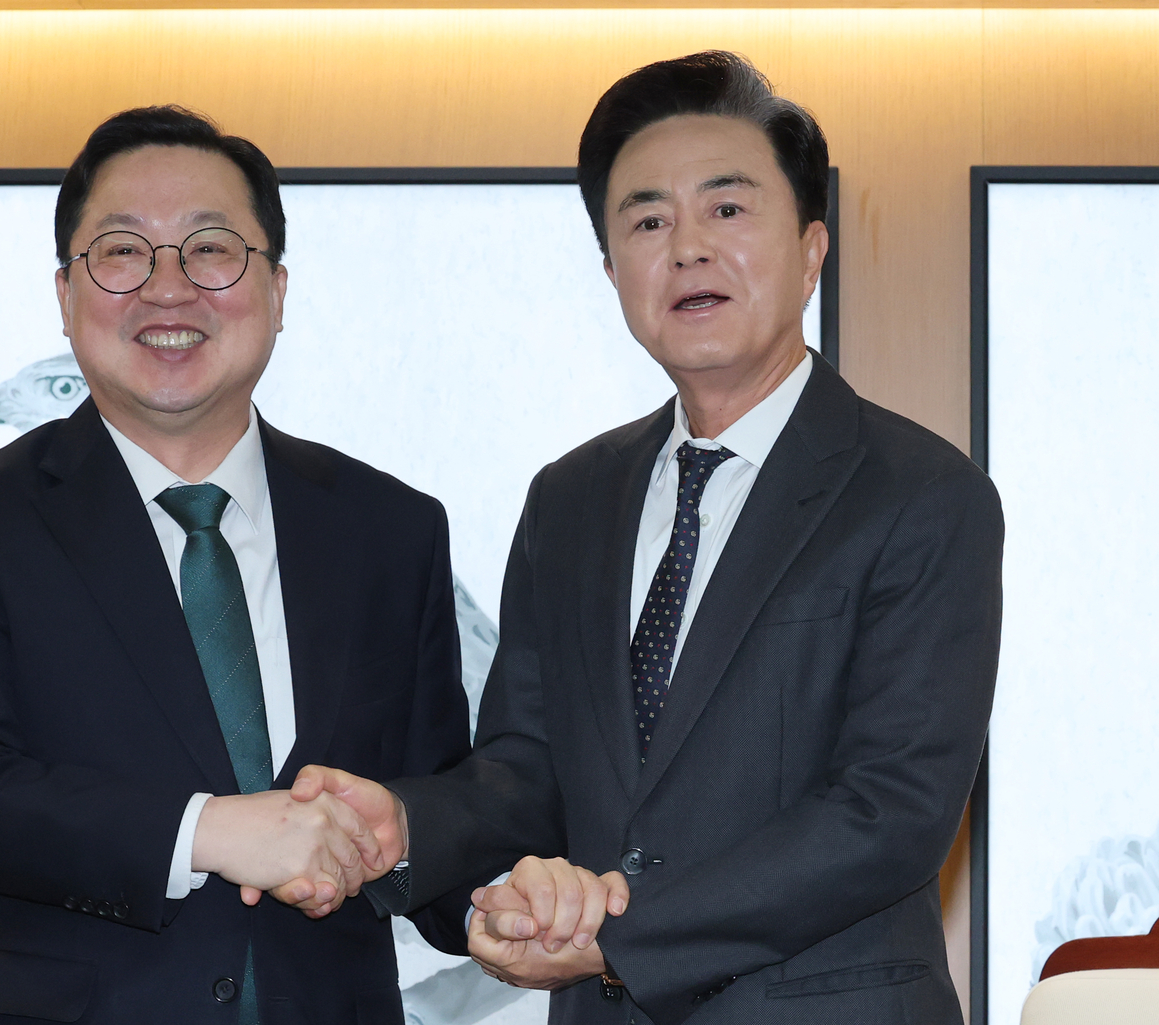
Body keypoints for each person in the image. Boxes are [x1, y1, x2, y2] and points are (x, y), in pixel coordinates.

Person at [290, 51, 1003, 1024]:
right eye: (646, 220)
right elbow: (528, 771)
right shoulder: (569, 500)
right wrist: (406, 824)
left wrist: (620, 934)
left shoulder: (921, 494)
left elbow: (888, 812)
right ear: (612, 269)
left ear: (809, 247)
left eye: (726, 208)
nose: (686, 247)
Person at [0, 105, 471, 1024]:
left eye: (210, 249)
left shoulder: (391, 529)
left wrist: (493, 894)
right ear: (67, 295)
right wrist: (210, 831)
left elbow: (431, 806)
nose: (167, 289)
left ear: (275, 288)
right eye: (121, 252)